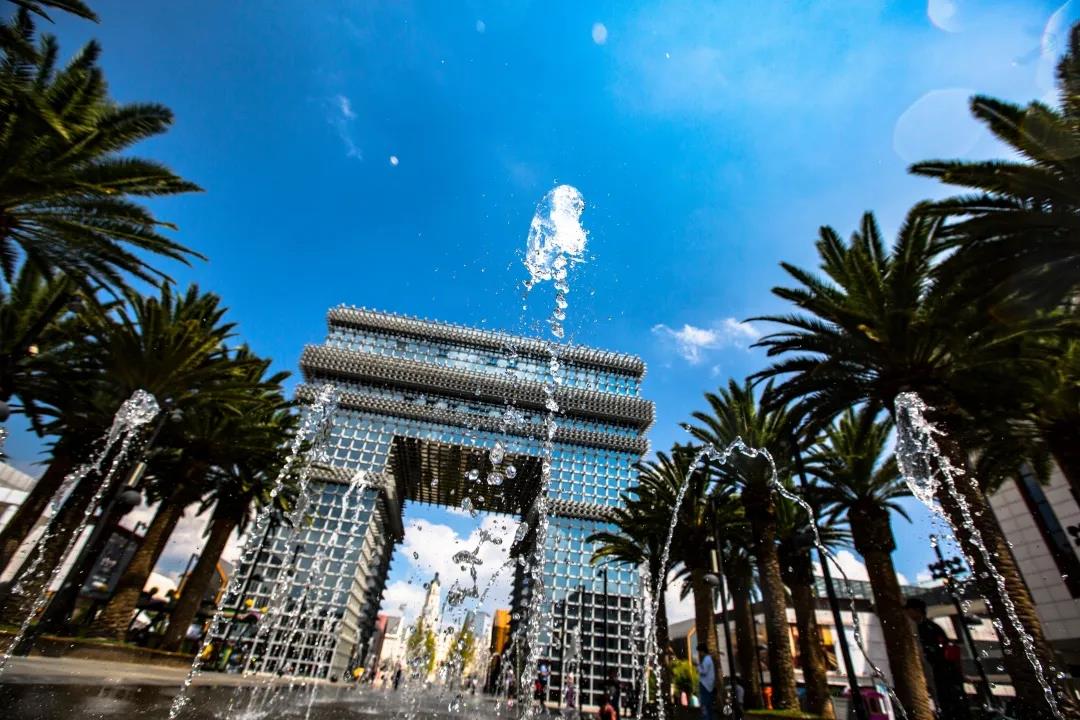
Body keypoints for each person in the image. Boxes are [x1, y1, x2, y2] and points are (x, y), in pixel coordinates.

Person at [904, 598, 971, 720]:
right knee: (947, 702)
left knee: (950, 702)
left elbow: (940, 651)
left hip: (943, 671)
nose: (907, 613)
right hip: (940, 671)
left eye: (909, 610)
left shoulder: (927, 628)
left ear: (917, 610)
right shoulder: (925, 627)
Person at [696, 643, 716, 720]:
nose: (699, 654)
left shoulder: (707, 659)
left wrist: (698, 667)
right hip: (708, 685)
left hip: (705, 685)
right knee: (709, 707)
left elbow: (704, 671)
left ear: (702, 651)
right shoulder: (708, 659)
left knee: (705, 706)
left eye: (699, 652)